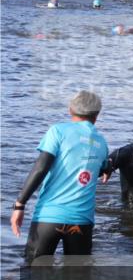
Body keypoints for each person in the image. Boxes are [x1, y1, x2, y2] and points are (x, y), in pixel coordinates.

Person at [10, 91, 109, 263]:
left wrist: (20, 204)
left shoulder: (58, 131)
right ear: (97, 115)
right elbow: (100, 169)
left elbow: (41, 168)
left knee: (32, 273)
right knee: (77, 276)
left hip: (49, 217)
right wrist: (107, 168)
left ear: (71, 109)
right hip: (82, 222)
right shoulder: (102, 142)